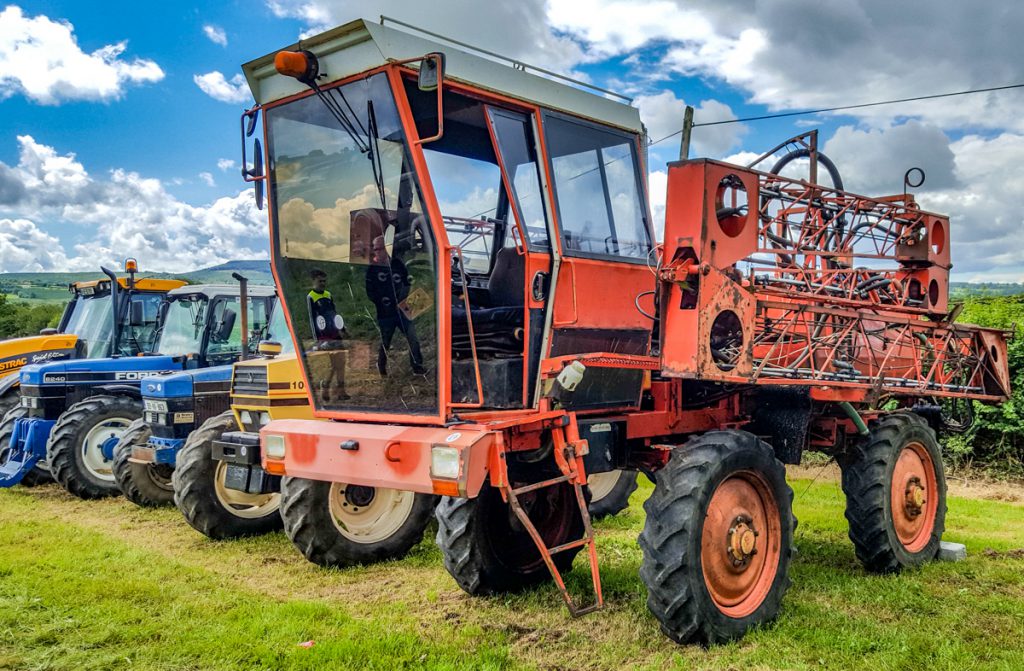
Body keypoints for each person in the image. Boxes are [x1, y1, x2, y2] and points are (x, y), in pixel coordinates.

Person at [365, 236, 425, 376]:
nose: (377, 252)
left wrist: (403, 299)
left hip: (402, 309)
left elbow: (407, 282)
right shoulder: (372, 269)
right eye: (375, 249)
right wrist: (383, 303)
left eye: (380, 248)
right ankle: (381, 367)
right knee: (386, 341)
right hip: (385, 313)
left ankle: (417, 366)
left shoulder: (397, 264)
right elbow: (370, 293)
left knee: (413, 338)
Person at [306, 269, 348, 400]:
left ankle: (341, 391)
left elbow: (334, 313)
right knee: (333, 364)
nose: (323, 283)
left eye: (324, 281)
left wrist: (342, 328)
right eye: (320, 281)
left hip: (335, 333)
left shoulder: (328, 295)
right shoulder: (311, 297)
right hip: (324, 336)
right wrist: (317, 339)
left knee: (341, 363)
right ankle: (325, 386)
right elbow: (312, 319)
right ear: (314, 281)